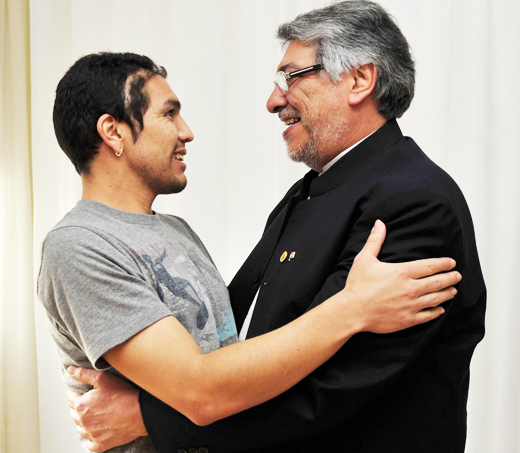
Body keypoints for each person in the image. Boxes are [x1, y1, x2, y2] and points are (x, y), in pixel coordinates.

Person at [67, 1, 486, 452]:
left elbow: (326, 388)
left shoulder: (415, 200)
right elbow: (236, 338)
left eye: (291, 77)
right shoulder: (307, 192)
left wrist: (146, 417)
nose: (273, 100)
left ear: (360, 80)